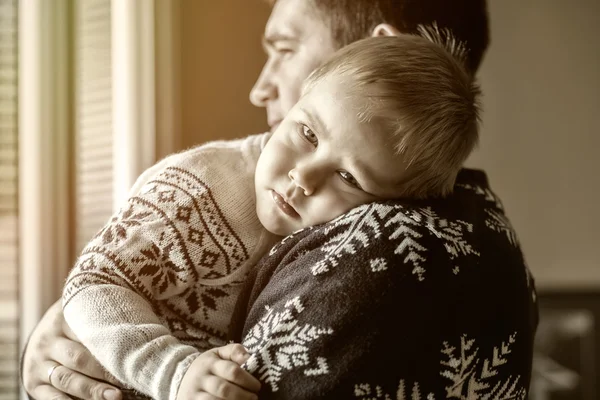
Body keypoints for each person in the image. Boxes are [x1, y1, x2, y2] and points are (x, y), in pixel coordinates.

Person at [21, 1, 537, 399]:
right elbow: (97, 285)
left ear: (370, 46)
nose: (258, 88)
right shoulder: (217, 186)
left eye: (285, 48)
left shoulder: (388, 247)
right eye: (308, 135)